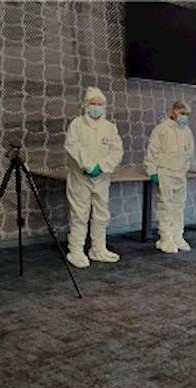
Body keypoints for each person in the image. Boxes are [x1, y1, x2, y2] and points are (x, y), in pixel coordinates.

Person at [64, 86, 124, 268]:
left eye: (100, 104)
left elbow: (117, 151)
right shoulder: (77, 124)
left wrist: (102, 167)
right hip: (80, 178)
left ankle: (98, 248)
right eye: (93, 104)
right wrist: (89, 166)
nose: (96, 107)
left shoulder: (110, 128)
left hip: (102, 179)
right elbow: (72, 146)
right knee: (79, 214)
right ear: (85, 104)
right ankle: (76, 250)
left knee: (101, 214)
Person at [144, 101, 195, 254]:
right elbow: (152, 150)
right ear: (173, 113)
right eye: (182, 113)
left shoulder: (187, 131)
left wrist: (184, 169)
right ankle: (165, 237)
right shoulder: (161, 129)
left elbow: (189, 152)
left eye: (186, 114)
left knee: (179, 206)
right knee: (165, 205)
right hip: (165, 171)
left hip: (180, 173)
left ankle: (177, 235)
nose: (184, 117)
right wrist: (152, 171)